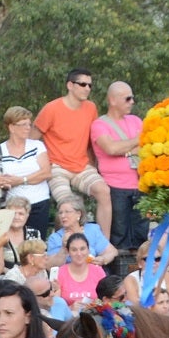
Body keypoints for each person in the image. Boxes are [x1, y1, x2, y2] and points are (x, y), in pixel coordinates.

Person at [33, 70, 110, 229]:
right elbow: (31, 139)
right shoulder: (51, 108)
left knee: (103, 191)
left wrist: (95, 164)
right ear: (70, 85)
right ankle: (63, 245)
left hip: (81, 165)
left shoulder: (90, 108)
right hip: (57, 167)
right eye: (82, 84)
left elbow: (92, 140)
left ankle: (104, 244)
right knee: (68, 205)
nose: (87, 88)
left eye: (90, 85)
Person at [92, 82, 144, 250]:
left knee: (141, 235)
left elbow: (148, 147)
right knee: (118, 235)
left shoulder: (136, 121)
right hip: (116, 188)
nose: (132, 102)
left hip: (141, 186)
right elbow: (111, 148)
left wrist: (124, 148)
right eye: (127, 98)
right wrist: (135, 143)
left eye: (133, 98)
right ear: (112, 100)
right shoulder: (100, 125)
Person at [0, 108, 52, 234]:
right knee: (11, 246)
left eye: (29, 124)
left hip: (38, 203)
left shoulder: (36, 146)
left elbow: (46, 173)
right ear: (11, 127)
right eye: (23, 124)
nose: (28, 128)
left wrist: (20, 180)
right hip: (11, 207)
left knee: (35, 245)